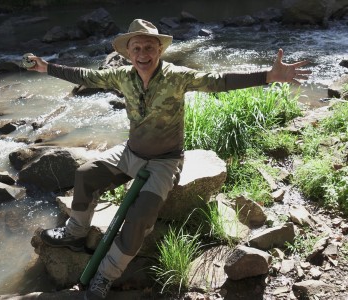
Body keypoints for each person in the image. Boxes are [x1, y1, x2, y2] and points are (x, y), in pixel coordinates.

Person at [27, 19, 311, 300]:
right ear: (128, 53)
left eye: (149, 47)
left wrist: (267, 76)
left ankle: (105, 275)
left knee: (139, 219)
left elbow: (217, 81)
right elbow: (86, 76)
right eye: (136, 48)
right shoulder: (122, 76)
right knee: (86, 173)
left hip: (165, 161)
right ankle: (76, 233)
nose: (142, 54)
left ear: (159, 50)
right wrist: (46, 67)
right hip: (130, 153)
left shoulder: (178, 76)